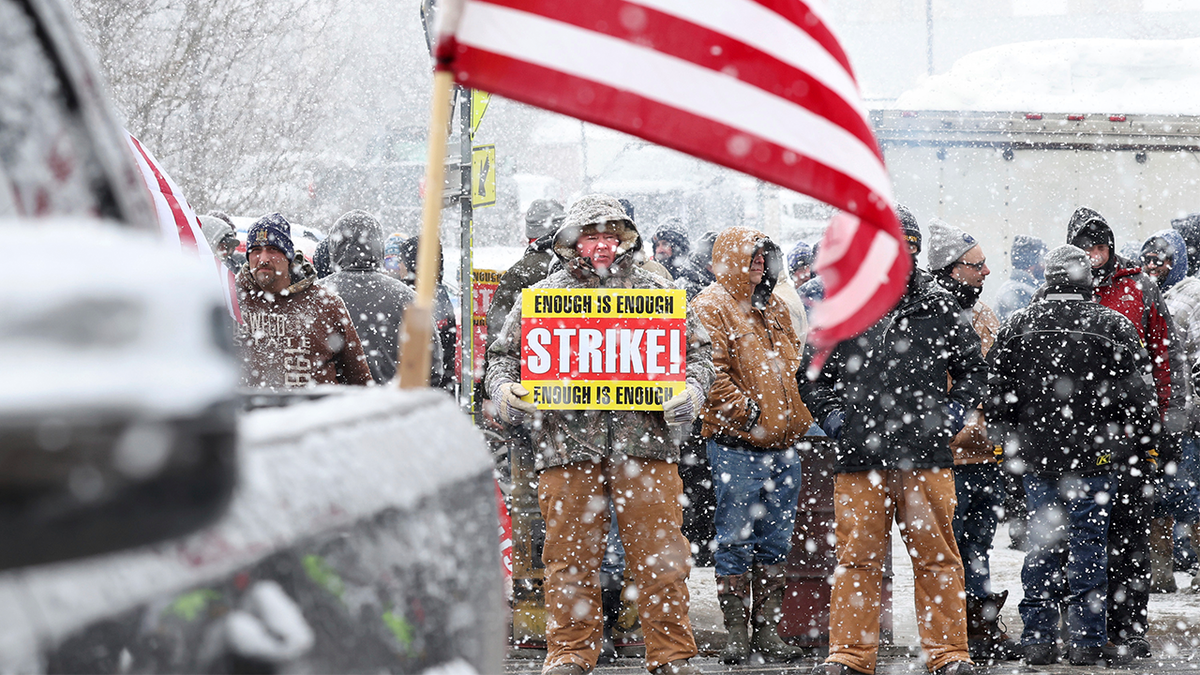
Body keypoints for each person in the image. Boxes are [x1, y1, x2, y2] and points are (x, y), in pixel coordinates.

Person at [486, 194, 715, 675]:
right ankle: (570, 653)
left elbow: (699, 355)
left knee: (662, 559)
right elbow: (502, 358)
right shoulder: (542, 296)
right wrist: (506, 391)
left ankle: (671, 655)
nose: (603, 245)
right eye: (591, 235)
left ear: (626, 239)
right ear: (572, 242)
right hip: (566, 446)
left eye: (611, 235)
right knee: (568, 558)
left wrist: (692, 394)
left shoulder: (658, 289)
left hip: (646, 445)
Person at [805, 209, 983, 675]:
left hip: (925, 457)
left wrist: (947, 418)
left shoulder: (940, 305)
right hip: (861, 457)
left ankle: (948, 654)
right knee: (857, 561)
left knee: (938, 559)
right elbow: (812, 377)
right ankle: (849, 655)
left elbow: (971, 372)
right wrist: (838, 421)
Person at [987, 244, 1156, 667]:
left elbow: (994, 402)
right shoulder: (1112, 326)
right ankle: (1085, 641)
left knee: (1042, 550)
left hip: (1038, 462)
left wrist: (1016, 443)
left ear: (1048, 279)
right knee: (1089, 549)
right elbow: (1140, 402)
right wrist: (1128, 445)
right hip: (1094, 463)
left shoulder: (1017, 326)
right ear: (1088, 280)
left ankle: (1038, 640)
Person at [692, 227, 814, 665]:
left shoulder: (776, 306)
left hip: (783, 446)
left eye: (764, 256)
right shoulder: (710, 306)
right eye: (751, 256)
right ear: (729, 259)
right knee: (734, 540)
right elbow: (711, 373)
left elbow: (793, 366)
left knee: (775, 542)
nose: (760, 263)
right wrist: (752, 415)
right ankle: (737, 633)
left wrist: (790, 417)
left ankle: (766, 628)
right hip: (737, 445)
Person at [1067, 207, 1177, 657]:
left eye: (1100, 246)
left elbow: (1165, 357)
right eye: (1085, 247)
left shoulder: (1140, 288)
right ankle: (1090, 629)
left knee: (1129, 533)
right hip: (1079, 436)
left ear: (1110, 247)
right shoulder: (1065, 291)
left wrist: (1165, 421)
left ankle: (1129, 625)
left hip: (1132, 434)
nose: (1094, 256)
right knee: (1083, 539)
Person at [925, 219, 1018, 663]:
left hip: (984, 454)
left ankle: (978, 623)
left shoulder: (984, 314)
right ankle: (955, 633)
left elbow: (997, 378)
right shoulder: (929, 314)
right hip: (947, 457)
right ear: (951, 268)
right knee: (951, 547)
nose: (985, 273)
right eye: (976, 265)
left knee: (978, 543)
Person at [235, 213, 372, 389]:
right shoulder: (230, 302)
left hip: (311, 414)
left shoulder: (326, 304)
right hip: (248, 415)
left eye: (272, 249)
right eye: (255, 251)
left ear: (288, 256)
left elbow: (359, 381)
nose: (263, 259)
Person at [317, 210, 441, 386]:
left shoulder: (315, 295)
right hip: (392, 408)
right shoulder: (408, 298)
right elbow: (432, 370)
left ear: (334, 247)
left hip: (332, 409)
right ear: (378, 247)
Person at [1141, 230, 1200, 593]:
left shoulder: (1193, 295)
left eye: (1162, 259)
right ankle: (1160, 571)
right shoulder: (1151, 293)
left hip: (1188, 418)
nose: (1154, 266)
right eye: (1148, 259)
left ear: (1178, 259)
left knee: (1191, 495)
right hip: (1157, 416)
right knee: (1158, 495)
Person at [398, 235, 457, 392]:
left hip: (416, 393)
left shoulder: (409, 297)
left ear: (412, 263)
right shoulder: (439, 292)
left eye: (402, 260)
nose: (399, 266)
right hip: (442, 392)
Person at [994, 235, 1046, 321]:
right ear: (1032, 263)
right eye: (1043, 260)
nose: (1045, 266)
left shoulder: (1023, 288)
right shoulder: (1018, 292)